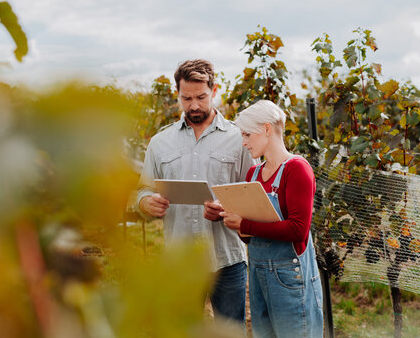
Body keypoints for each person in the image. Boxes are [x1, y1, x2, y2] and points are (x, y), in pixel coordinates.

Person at [136, 59, 255, 324]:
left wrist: (227, 210)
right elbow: (142, 191)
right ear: (177, 94)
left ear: (214, 91)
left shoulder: (239, 139)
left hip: (226, 260)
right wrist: (146, 203)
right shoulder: (160, 142)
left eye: (201, 97)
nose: (194, 105)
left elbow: (253, 194)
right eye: (186, 98)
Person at [206, 100, 323, 337]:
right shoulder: (254, 173)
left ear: (267, 129)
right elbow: (250, 238)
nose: (244, 142)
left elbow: (298, 230)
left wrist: (245, 224)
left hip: (290, 277)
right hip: (259, 273)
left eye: (247, 134)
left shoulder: (297, 169)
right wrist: (232, 218)